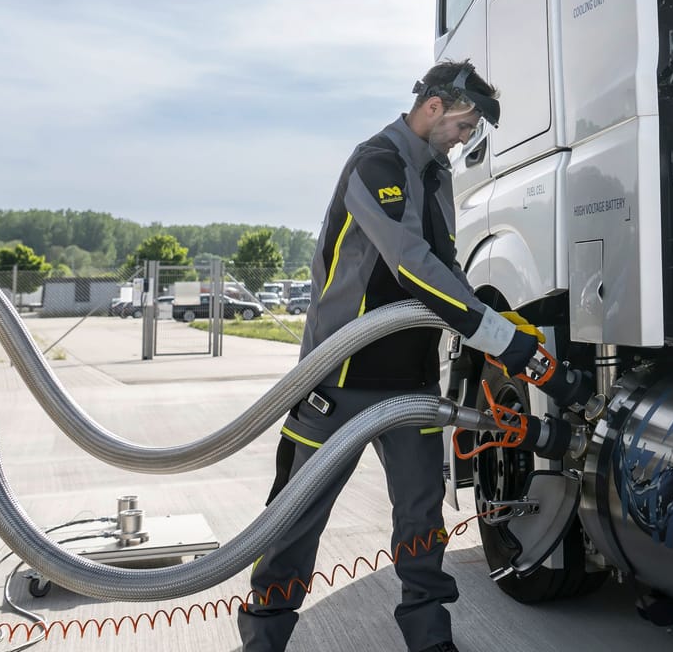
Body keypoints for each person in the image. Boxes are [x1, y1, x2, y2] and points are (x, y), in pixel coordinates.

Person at [239, 60, 584, 652]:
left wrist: (505, 331)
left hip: (411, 381)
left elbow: (448, 271)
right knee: (295, 519)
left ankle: (430, 640)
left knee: (422, 521)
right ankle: (263, 642)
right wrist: (506, 343)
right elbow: (411, 267)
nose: (467, 140)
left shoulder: (435, 175)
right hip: (339, 378)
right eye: (464, 126)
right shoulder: (377, 163)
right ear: (432, 108)